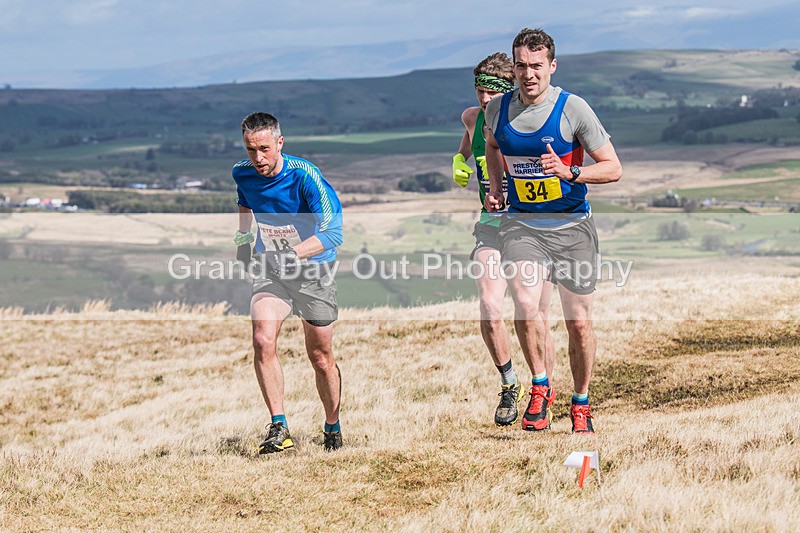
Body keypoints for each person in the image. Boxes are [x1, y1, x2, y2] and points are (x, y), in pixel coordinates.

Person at [483, 28, 622, 434]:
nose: (529, 75)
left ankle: (581, 401)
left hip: (573, 226)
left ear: (552, 67)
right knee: (527, 306)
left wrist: (571, 172)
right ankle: (541, 386)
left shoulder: (572, 109)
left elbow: (613, 167)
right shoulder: (498, 110)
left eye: (537, 66)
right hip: (523, 224)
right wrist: (494, 187)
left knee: (578, 322)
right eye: (521, 66)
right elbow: (492, 147)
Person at [452, 52, 556, 427]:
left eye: (490, 93)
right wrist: (460, 163)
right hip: (490, 225)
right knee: (490, 305)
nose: (483, 100)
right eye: (479, 91)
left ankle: (543, 386)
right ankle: (509, 383)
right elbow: (466, 151)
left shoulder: (523, 120)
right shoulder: (470, 119)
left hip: (532, 228)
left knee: (534, 314)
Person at [232, 112, 344, 452]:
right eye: (251, 150)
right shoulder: (242, 172)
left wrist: (293, 254)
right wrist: (242, 242)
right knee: (263, 340)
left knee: (320, 356)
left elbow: (333, 233)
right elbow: (244, 202)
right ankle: (279, 427)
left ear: (280, 143)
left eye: (265, 149)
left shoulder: (305, 176)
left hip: (313, 271)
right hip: (271, 271)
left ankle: (332, 426)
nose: (258, 158)